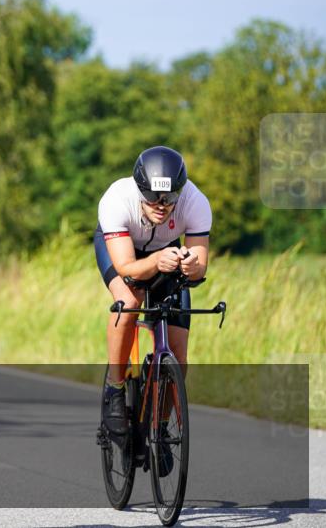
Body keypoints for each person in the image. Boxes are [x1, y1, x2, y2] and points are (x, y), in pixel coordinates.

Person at [95, 146, 211, 441]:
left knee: (179, 355)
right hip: (123, 250)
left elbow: (200, 267)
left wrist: (191, 264)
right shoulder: (117, 200)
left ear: (180, 192)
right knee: (129, 302)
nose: (161, 205)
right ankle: (115, 387)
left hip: (167, 252)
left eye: (170, 197)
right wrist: (156, 262)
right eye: (152, 197)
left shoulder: (195, 202)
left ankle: (158, 426)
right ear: (139, 189)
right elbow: (126, 267)